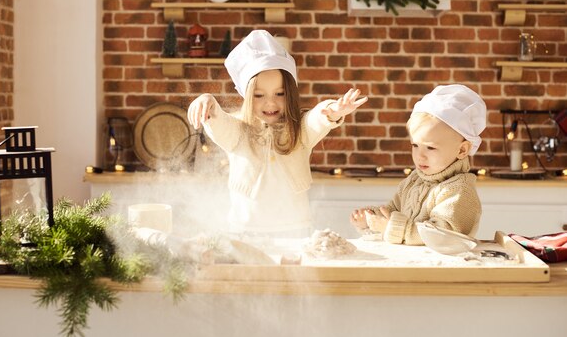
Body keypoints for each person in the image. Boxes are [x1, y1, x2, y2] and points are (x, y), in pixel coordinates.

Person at [188, 30, 368, 236]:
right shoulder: (238, 130)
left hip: (294, 229)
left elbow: (315, 119)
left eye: (280, 93)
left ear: (290, 93)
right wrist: (207, 102)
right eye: (259, 95)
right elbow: (220, 124)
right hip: (245, 230)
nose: (270, 103)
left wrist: (332, 110)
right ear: (246, 96)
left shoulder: (300, 130)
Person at [350, 84, 486, 244]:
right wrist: (373, 218)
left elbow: (440, 235)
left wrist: (390, 227)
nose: (420, 155)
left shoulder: (459, 191)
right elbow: (394, 210)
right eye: (415, 145)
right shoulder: (414, 180)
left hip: (441, 267)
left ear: (462, 150)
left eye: (430, 147)